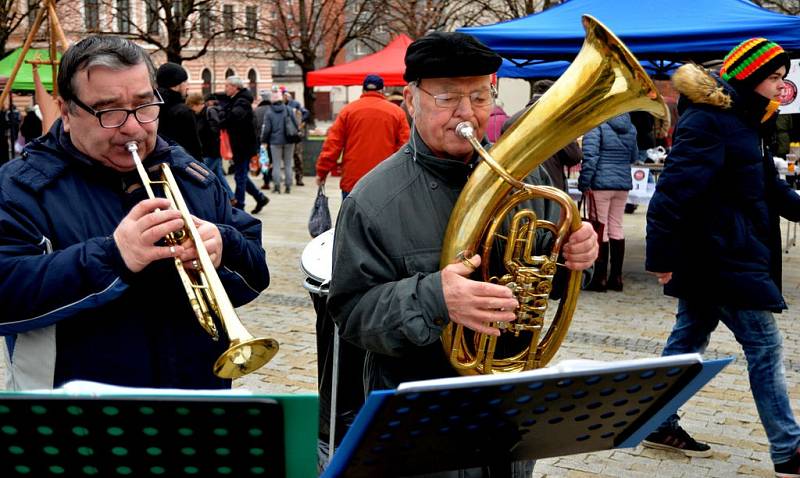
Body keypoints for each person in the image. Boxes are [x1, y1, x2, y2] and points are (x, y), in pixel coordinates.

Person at [326, 31, 599, 476]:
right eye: (448, 97)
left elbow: (550, 280)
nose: (466, 113)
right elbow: (353, 316)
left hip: (508, 414)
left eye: (478, 95)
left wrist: (575, 259)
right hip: (420, 420)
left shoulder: (524, 181)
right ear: (410, 102)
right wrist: (437, 297)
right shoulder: (371, 199)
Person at [0, 35, 270, 390]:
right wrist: (113, 257)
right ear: (66, 112)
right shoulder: (19, 188)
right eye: (109, 111)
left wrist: (224, 246)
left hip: (195, 402)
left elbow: (256, 271)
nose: (133, 127)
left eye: (145, 106)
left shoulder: (191, 175)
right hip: (74, 417)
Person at [644, 38, 800, 476]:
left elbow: (767, 185)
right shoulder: (712, 120)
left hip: (723, 252)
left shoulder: (747, 120)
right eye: (774, 77)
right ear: (750, 77)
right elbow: (673, 192)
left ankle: (657, 421)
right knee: (766, 347)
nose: (780, 86)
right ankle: (789, 450)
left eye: (783, 78)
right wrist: (660, 255)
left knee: (688, 341)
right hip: (718, 254)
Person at [315, 74, 410, 199]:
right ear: (382, 90)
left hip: (353, 181)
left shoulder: (348, 111)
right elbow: (405, 147)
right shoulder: (397, 113)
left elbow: (333, 144)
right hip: (385, 180)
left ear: (363, 90)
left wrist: (322, 172)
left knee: (352, 218)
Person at [579, 113, 639, 292]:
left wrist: (584, 183)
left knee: (600, 228)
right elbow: (634, 156)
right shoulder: (631, 127)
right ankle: (617, 278)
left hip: (600, 183)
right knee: (616, 227)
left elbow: (590, 157)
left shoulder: (596, 124)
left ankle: (600, 278)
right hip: (622, 183)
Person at [501, 79, 582, 193]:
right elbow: (574, 157)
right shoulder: (558, 123)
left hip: (518, 187)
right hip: (551, 187)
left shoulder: (510, 122)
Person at [221, 76, 269, 213]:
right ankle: (260, 198)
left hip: (243, 146)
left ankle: (240, 206)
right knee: (240, 175)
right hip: (240, 145)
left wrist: (224, 114)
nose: (225, 89)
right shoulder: (237, 100)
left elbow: (233, 118)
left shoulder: (241, 102)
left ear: (235, 87)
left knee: (240, 176)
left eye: (227, 86)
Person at [188, 93, 235, 200]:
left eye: (192, 106)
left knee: (202, 175)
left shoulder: (209, 112)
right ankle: (231, 198)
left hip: (212, 151)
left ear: (197, 104)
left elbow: (215, 131)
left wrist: (205, 138)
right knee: (218, 176)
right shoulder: (200, 115)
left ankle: (211, 198)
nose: (192, 109)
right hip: (210, 151)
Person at [155, 62, 202, 161]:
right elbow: (194, 147)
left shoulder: (152, 107)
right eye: (185, 82)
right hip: (182, 166)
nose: (187, 86)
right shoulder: (184, 112)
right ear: (176, 85)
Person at [260, 91, 297, 194]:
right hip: (289, 140)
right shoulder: (289, 110)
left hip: (275, 142)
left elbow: (267, 129)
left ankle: (277, 187)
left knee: (276, 164)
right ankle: (288, 186)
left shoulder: (269, 112)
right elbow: (295, 124)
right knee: (288, 164)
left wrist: (263, 140)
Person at [284, 91, 308, 186]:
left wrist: (301, 123)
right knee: (288, 158)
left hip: (296, 136)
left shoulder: (295, 105)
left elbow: (306, 113)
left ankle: (299, 178)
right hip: (286, 136)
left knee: (297, 157)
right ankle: (287, 178)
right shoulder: (280, 106)